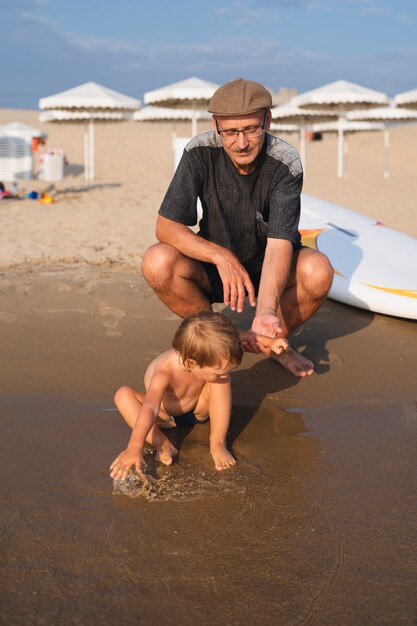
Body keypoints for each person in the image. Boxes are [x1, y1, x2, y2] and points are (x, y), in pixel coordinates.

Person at [141, 78, 334, 377]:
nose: (241, 142)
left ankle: (274, 340)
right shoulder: (199, 151)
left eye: (251, 130)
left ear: (267, 120)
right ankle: (223, 337)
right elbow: (166, 227)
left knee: (318, 269)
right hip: (216, 272)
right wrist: (221, 256)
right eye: (230, 131)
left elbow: (280, 242)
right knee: (157, 261)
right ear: (216, 125)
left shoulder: (285, 161)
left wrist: (267, 309)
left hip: (270, 268)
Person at [110, 311, 288, 478]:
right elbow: (150, 406)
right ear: (191, 362)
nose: (225, 375)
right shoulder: (165, 371)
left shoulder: (213, 348)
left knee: (220, 381)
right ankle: (160, 441)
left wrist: (270, 342)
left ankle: (217, 442)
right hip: (165, 418)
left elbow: (241, 336)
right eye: (218, 370)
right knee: (123, 395)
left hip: (199, 408)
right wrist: (134, 447)